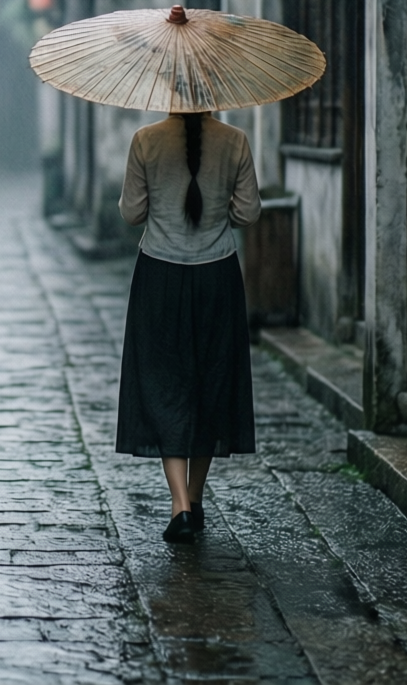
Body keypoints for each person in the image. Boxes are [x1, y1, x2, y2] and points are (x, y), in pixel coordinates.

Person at [115, 110, 261, 544]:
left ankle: (179, 503)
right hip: (217, 279)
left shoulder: (145, 140)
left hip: (159, 278)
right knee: (209, 386)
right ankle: (194, 500)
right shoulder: (235, 141)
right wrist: (220, 209)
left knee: (165, 386)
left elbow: (131, 213)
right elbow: (249, 211)